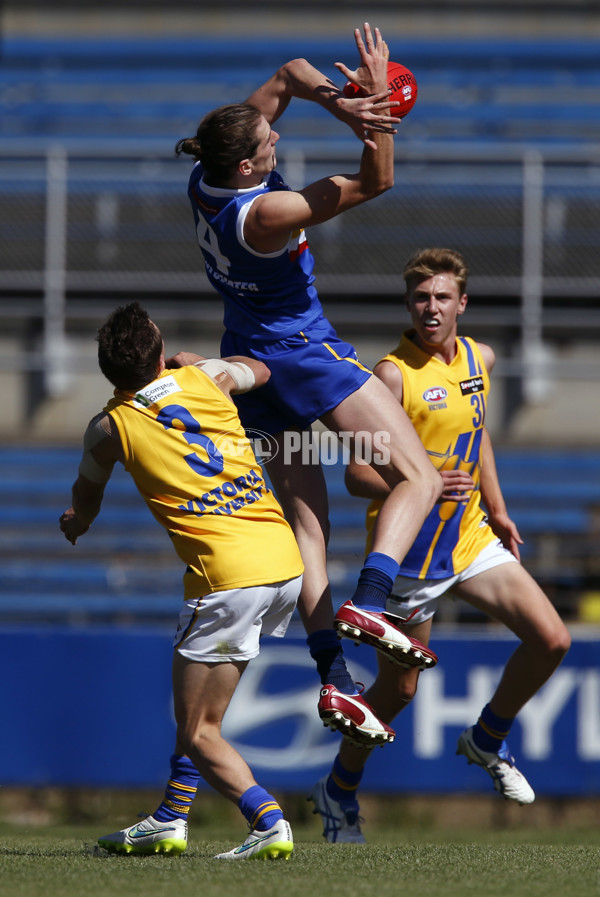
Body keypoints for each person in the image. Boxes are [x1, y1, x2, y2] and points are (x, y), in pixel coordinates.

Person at [175, 23, 442, 748]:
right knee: (416, 475)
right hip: (302, 353)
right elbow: (377, 181)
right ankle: (372, 601)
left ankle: (335, 679)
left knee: (309, 527)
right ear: (245, 169)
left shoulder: (205, 178)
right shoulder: (266, 212)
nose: (277, 144)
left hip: (251, 356)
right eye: (268, 148)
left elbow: (290, 72)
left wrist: (342, 103)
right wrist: (377, 101)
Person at [308, 247, 572, 843]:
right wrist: (422, 478)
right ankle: (338, 791)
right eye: (422, 298)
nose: (432, 307)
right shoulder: (392, 375)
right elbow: (356, 474)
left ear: (462, 304)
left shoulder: (482, 357)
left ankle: (486, 738)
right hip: (411, 560)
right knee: (398, 691)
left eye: (442, 297)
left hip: (471, 538)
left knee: (552, 638)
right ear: (409, 305)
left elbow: (478, 438)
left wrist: (497, 507)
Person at [59, 302, 305, 861]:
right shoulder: (204, 377)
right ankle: (170, 818)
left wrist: (78, 523)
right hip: (281, 560)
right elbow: (259, 371)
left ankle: (268, 820)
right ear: (159, 346)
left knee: (199, 730)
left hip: (227, 577)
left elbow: (86, 493)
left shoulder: (108, 428)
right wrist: (197, 362)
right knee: (198, 715)